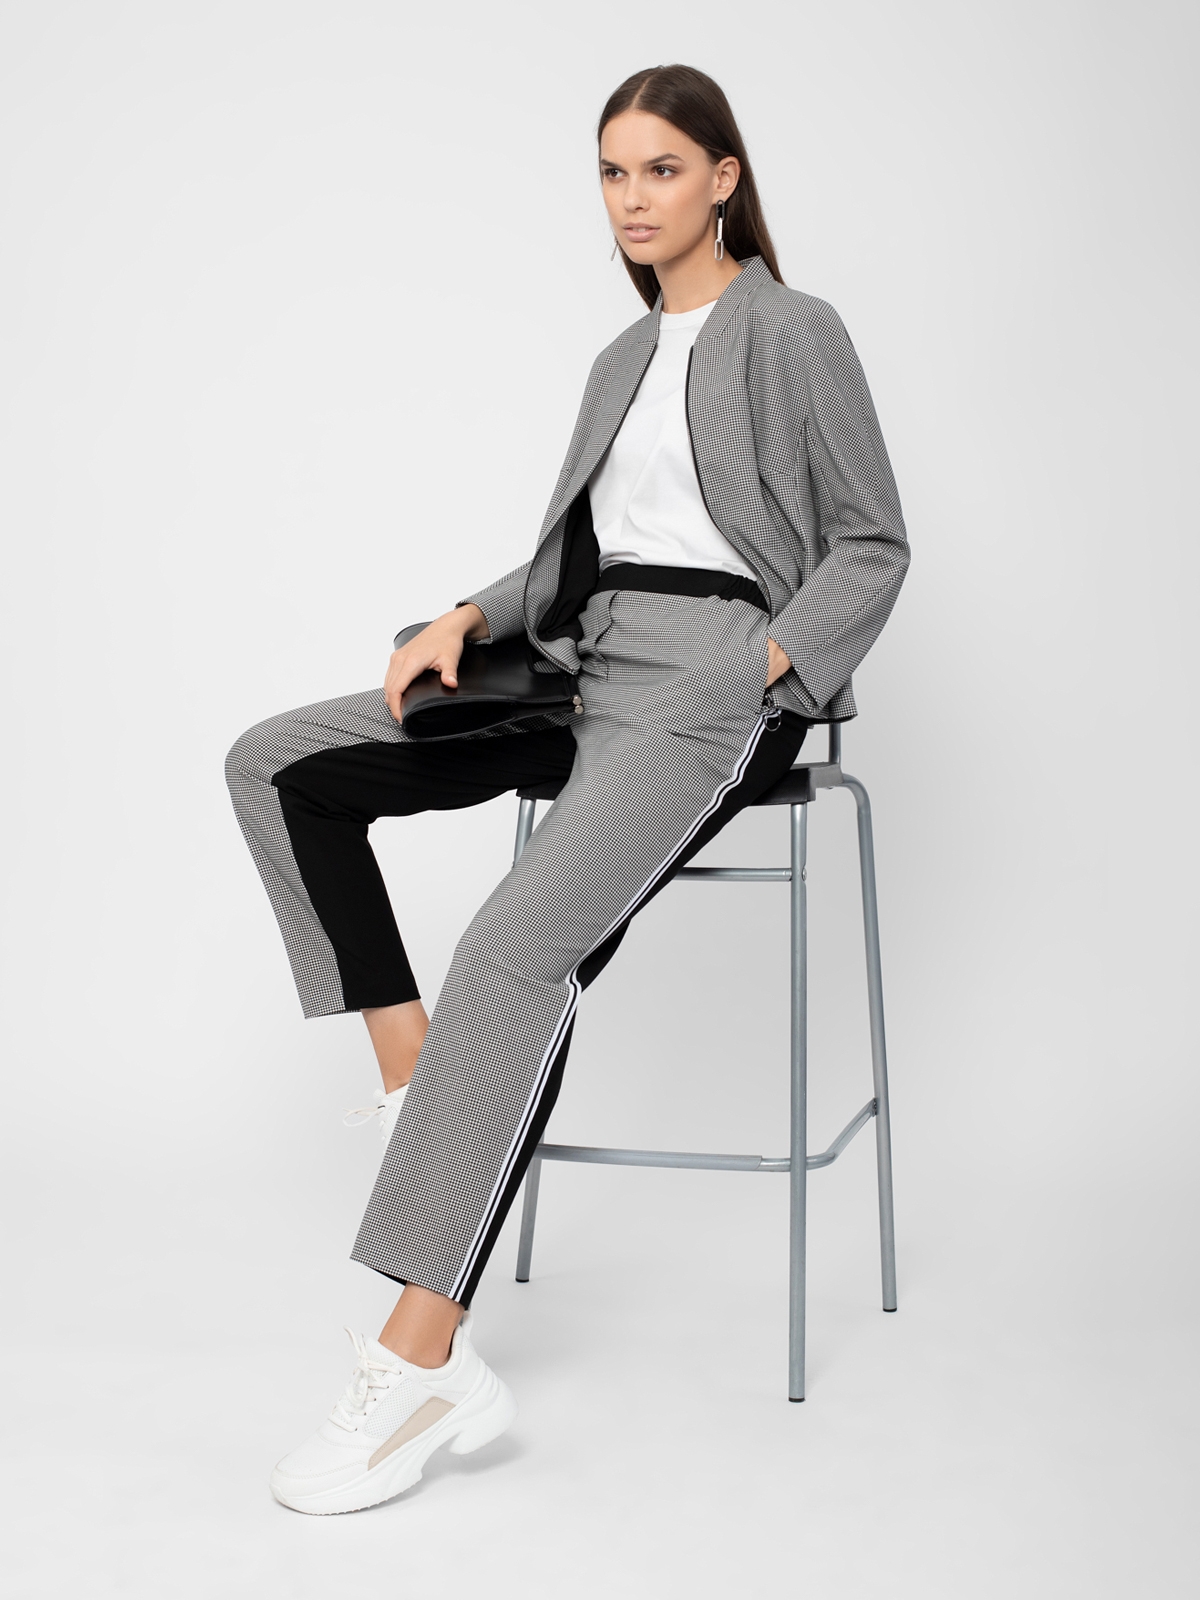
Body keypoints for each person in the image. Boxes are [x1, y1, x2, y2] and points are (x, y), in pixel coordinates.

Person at [226, 62, 909, 1515]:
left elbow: (873, 541)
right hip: (580, 659)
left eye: (661, 168)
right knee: (280, 764)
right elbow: (577, 557)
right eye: (612, 172)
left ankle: (421, 1361)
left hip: (713, 679)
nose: (633, 199)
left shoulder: (793, 331)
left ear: (723, 178)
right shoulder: (620, 358)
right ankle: (416, 1078)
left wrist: (770, 662)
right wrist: (470, 618)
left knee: (512, 947)